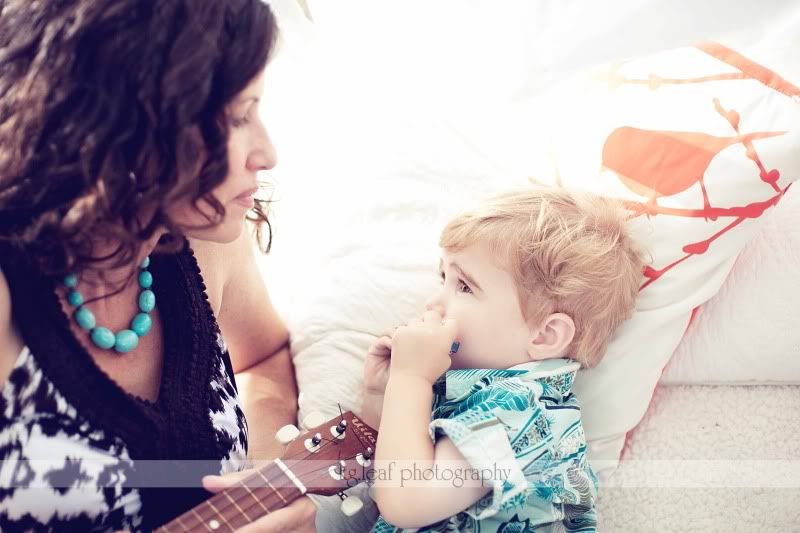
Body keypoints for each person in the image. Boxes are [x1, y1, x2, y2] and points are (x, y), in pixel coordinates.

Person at [0, 1, 315, 531]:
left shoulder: (201, 239)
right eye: (239, 116)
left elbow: (263, 359)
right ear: (129, 122)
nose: (267, 151)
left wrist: (261, 486)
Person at [361, 187, 647, 531]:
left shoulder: (520, 410)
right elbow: (391, 466)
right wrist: (386, 392)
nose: (433, 304)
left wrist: (410, 380)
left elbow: (406, 499)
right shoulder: (460, 388)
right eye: (443, 278)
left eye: (465, 286)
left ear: (544, 336)